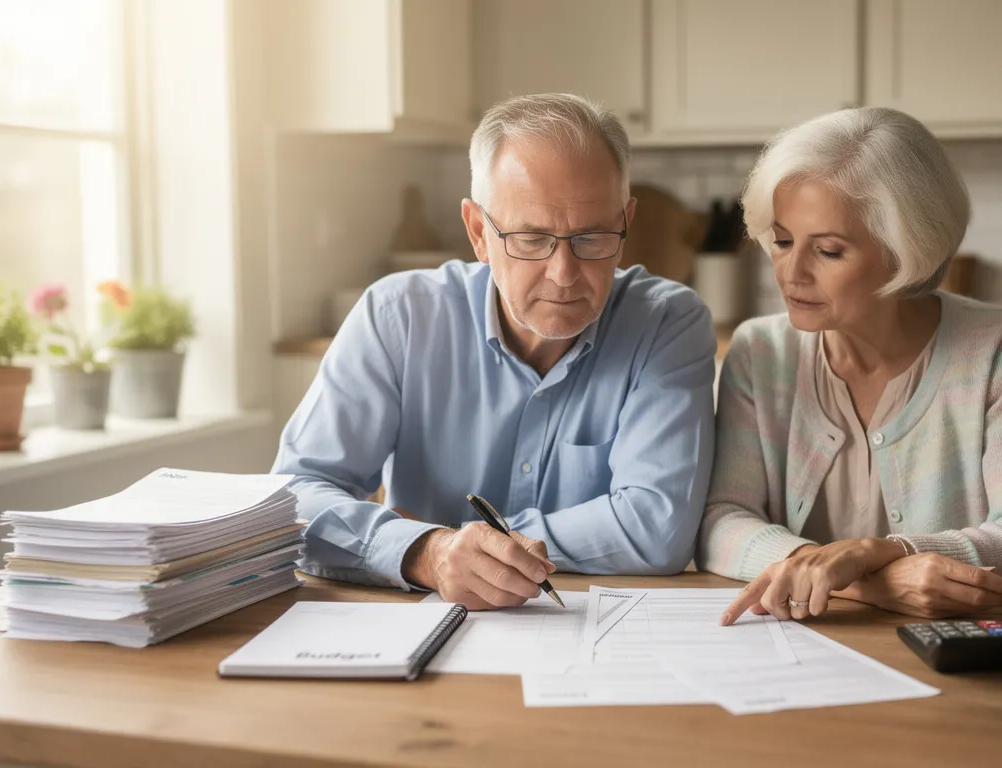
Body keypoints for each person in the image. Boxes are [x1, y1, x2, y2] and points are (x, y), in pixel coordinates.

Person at [273, 94, 716, 610]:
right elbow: (294, 498)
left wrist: (470, 546)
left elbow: (656, 528)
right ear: (479, 232)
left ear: (626, 223)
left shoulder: (667, 322)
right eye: (531, 239)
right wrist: (427, 553)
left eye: (592, 237)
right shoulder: (398, 315)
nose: (564, 274)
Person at [698, 107, 1002, 625]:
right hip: (804, 650)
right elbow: (720, 521)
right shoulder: (759, 350)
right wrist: (860, 580)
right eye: (783, 242)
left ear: (905, 251)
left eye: (828, 251)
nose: (791, 272)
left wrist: (884, 550)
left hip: (954, 665)